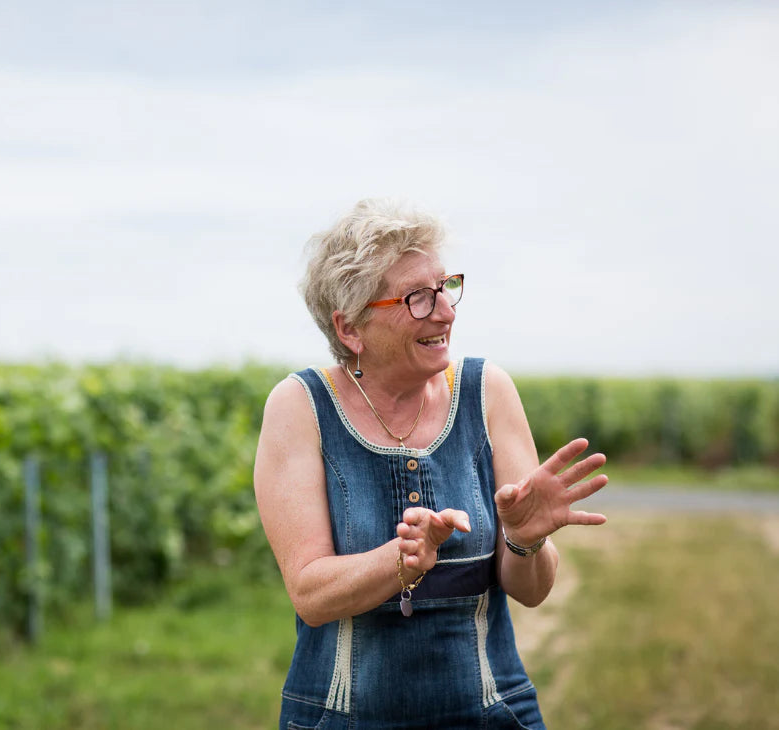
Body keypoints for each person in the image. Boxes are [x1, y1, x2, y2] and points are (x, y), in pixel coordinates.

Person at [253, 198, 609, 729]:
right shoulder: (300, 407)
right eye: (418, 298)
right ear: (350, 328)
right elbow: (311, 594)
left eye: (447, 288)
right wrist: (399, 561)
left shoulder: (488, 392)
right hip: (342, 718)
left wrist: (524, 540)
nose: (445, 311)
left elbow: (533, 591)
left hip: (492, 714)